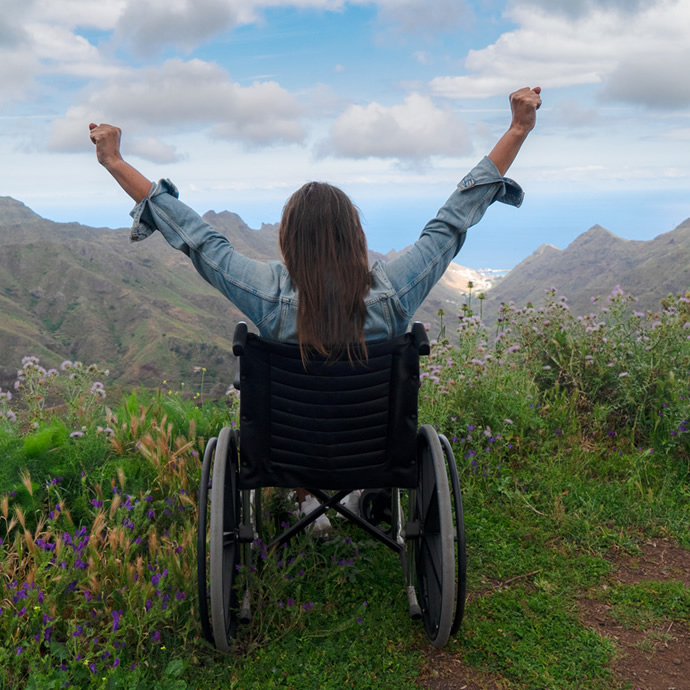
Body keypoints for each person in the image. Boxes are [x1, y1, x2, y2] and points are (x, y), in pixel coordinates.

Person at [89, 86, 542, 533]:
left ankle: (309, 501)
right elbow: (451, 222)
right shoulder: (393, 293)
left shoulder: (267, 297)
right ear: (354, 235)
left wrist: (115, 162)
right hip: (374, 451)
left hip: (286, 452)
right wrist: (518, 129)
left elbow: (198, 239)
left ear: (289, 240)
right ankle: (354, 493)